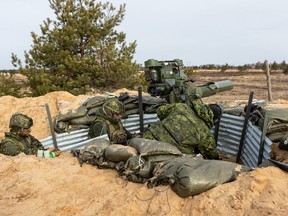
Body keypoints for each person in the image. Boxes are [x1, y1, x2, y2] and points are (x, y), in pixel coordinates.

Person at [143, 99, 220, 159]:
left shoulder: (182, 106)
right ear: (214, 120)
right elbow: (210, 152)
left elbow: (160, 110)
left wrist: (167, 123)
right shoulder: (205, 132)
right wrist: (217, 158)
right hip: (168, 154)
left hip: (148, 139)